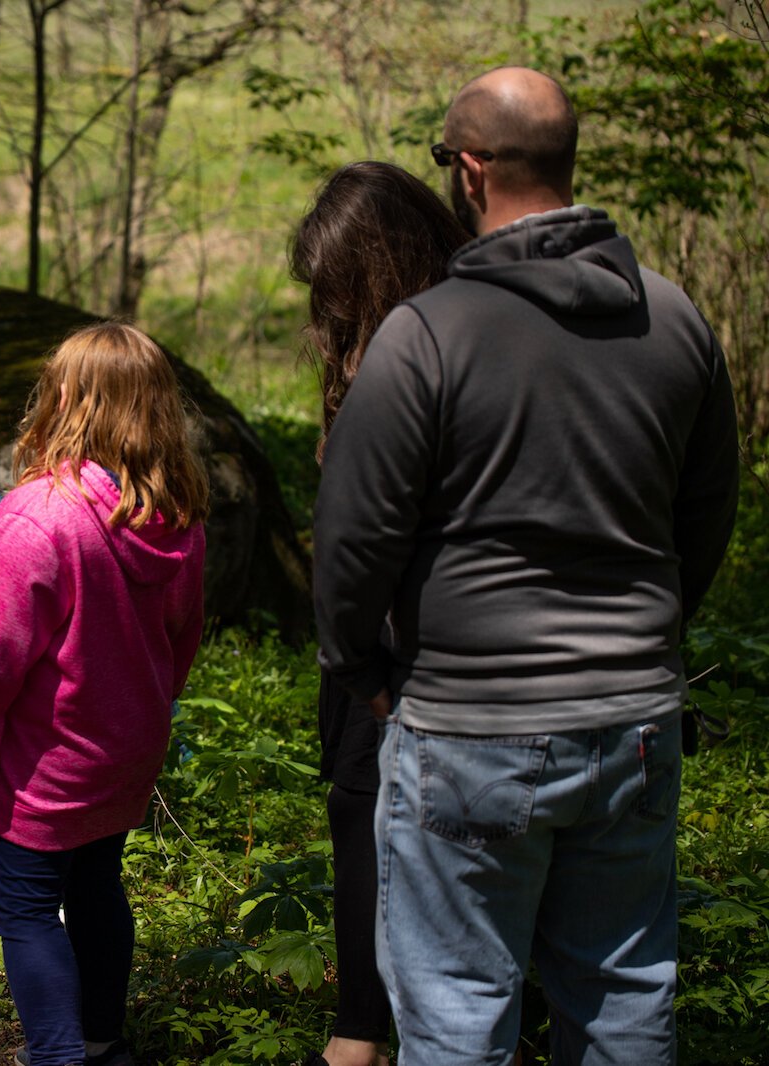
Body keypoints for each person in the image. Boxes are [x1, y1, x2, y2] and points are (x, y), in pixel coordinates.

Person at [313, 67, 740, 1065]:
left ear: (468, 170)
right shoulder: (674, 318)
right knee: (623, 994)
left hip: (466, 724)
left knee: (459, 1006)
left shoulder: (425, 335)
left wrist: (363, 670)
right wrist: (649, 633)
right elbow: (708, 509)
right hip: (630, 721)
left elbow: (354, 542)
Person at [0, 322, 208, 1066]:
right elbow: (182, 641)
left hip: (41, 769)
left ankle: (57, 1054)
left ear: (65, 399)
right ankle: (101, 1041)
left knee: (24, 909)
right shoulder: (176, 519)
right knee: (95, 887)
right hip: (123, 756)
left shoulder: (36, 517)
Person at [288, 162, 467, 1066]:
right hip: (366, 651)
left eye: (343, 289)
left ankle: (376, 1038)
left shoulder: (447, 344)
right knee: (358, 830)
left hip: (421, 652)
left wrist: (362, 660)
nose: (332, 316)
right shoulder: (370, 350)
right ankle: (362, 1029)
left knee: (433, 853)